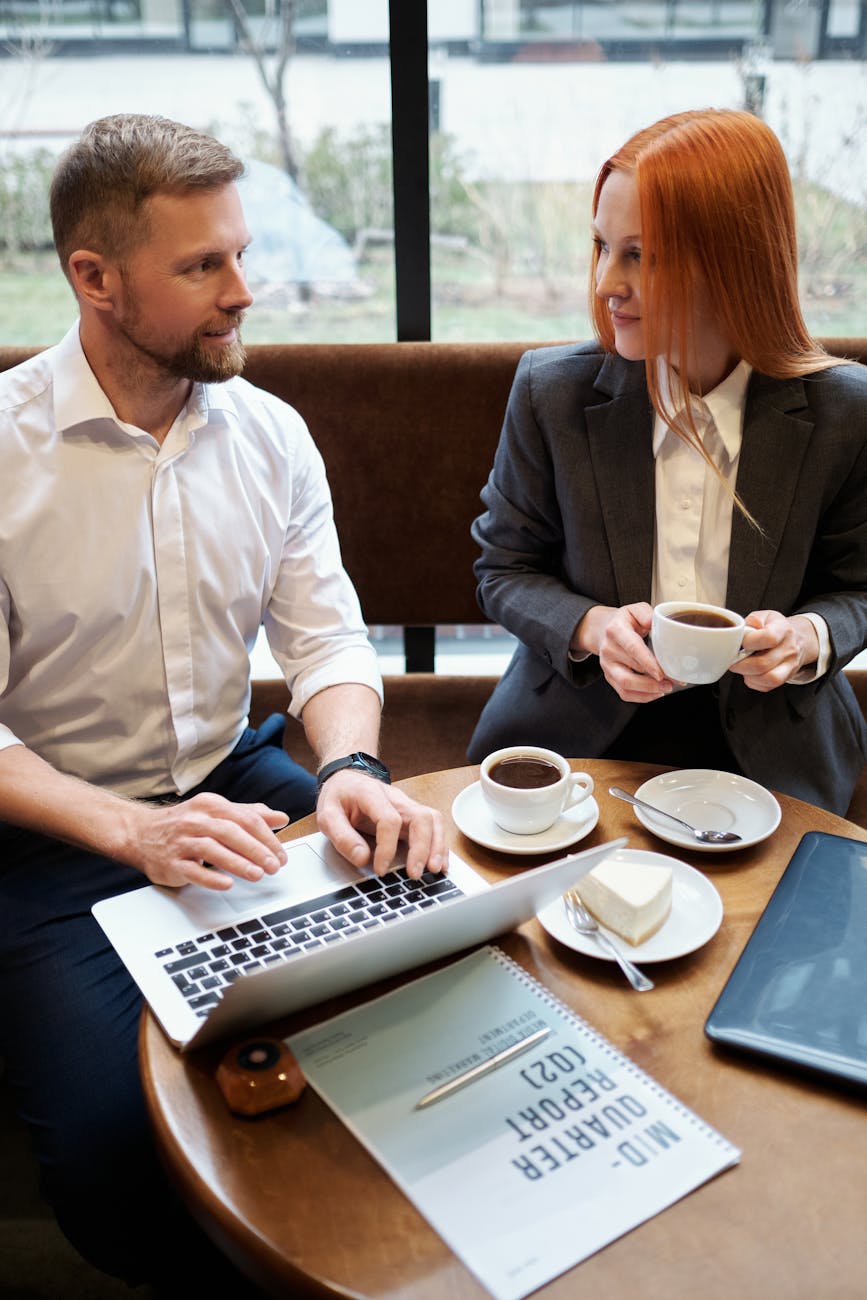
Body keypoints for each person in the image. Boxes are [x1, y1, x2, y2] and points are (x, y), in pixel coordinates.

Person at [0, 113, 446, 1293]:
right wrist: (132, 831)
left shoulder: (271, 435)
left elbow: (328, 640)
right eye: (203, 266)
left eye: (241, 254)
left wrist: (352, 769)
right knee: (105, 1151)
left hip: (236, 780)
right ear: (93, 279)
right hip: (46, 837)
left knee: (438, 961)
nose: (244, 291)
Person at [468, 108, 867, 816]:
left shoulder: (844, 412)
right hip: (576, 732)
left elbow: (858, 587)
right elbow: (503, 569)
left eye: (639, 255)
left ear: (734, 259)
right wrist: (592, 629)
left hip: (774, 750)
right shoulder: (549, 392)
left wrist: (806, 639)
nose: (603, 284)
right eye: (599, 247)